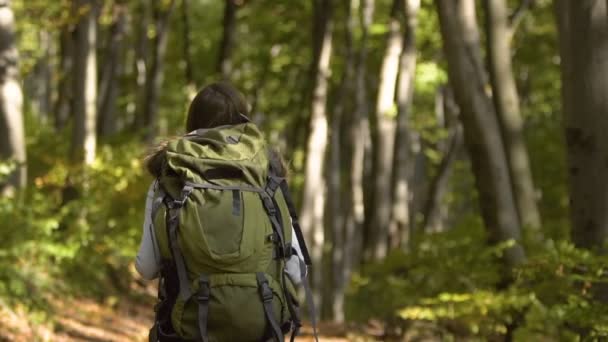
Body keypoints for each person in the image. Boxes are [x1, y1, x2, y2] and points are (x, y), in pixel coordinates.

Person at [135, 82, 309, 342]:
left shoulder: (170, 176)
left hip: (188, 329)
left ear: (192, 120)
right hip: (261, 330)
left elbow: (146, 267)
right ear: (243, 121)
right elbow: (296, 270)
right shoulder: (268, 175)